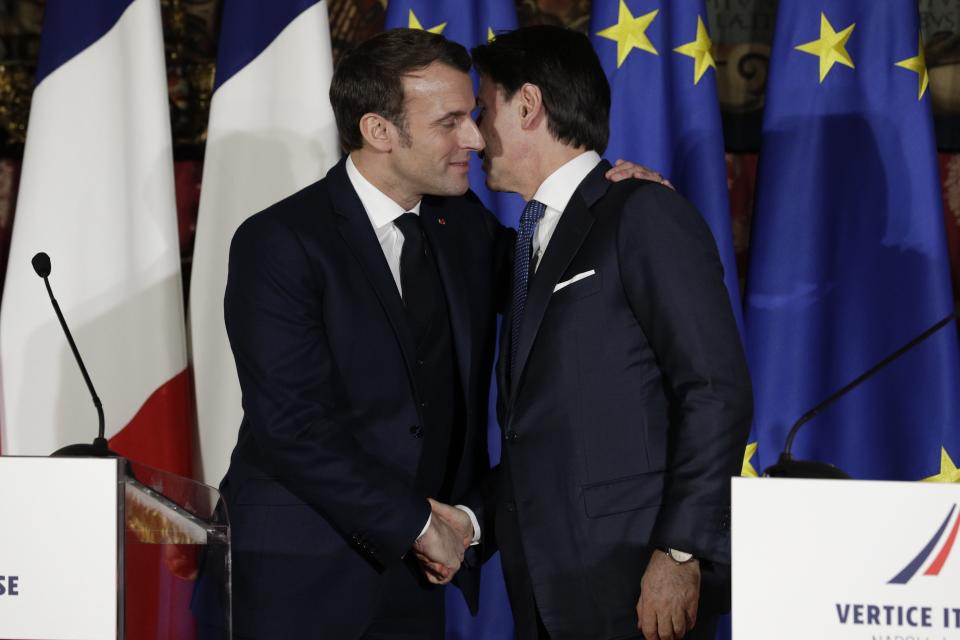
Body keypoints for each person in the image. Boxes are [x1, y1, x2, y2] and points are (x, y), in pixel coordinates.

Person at [217, 27, 657, 640]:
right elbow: (292, 427)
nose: (477, 139)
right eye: (450, 122)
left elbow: (561, 274)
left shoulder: (460, 223)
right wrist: (425, 528)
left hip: (416, 572)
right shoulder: (281, 242)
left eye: (474, 115)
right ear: (379, 131)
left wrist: (612, 204)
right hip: (301, 569)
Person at [470, 25, 754, 640]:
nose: (471, 134)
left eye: (481, 109)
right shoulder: (530, 238)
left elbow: (714, 389)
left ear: (528, 105)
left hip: (637, 582)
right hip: (548, 586)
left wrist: (681, 552)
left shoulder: (643, 212)